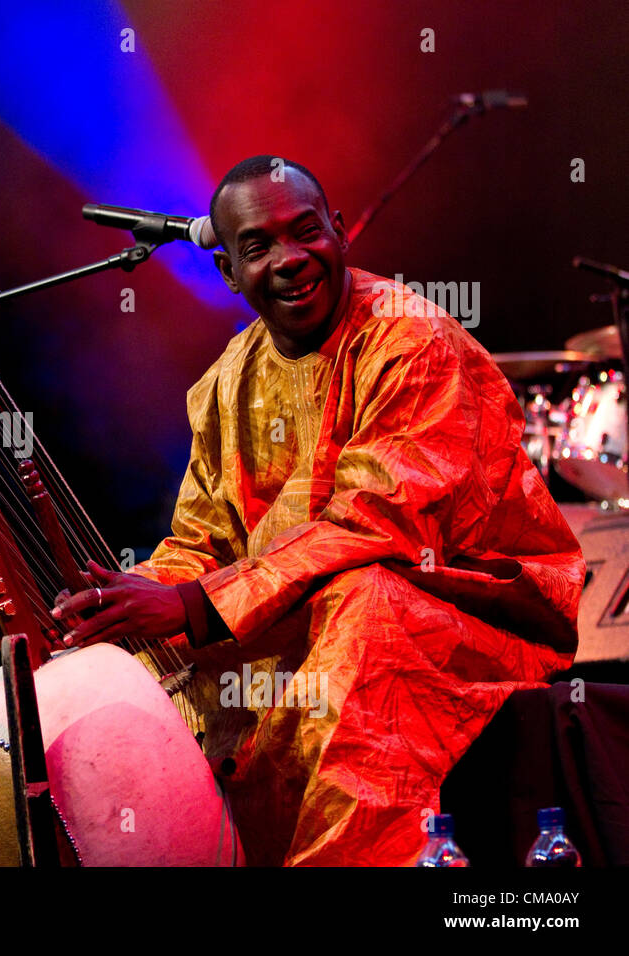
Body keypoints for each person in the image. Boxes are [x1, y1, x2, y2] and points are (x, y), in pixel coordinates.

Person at [53, 155, 583, 866]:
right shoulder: (225, 382)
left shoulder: (412, 342)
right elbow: (204, 540)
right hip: (303, 599)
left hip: (470, 602)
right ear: (228, 273)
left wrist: (192, 605)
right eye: (258, 246)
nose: (291, 259)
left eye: (307, 232)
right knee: (141, 668)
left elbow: (380, 523)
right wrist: (128, 604)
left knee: (361, 603)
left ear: (339, 232)